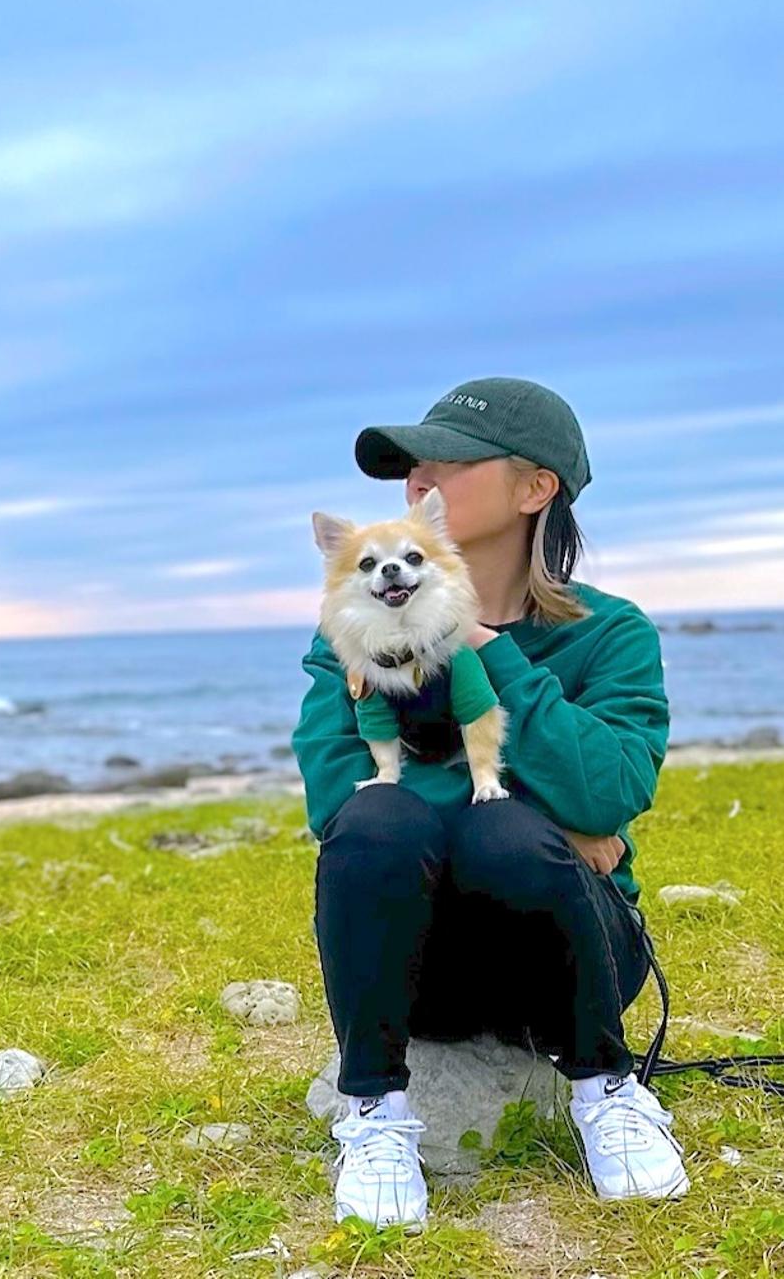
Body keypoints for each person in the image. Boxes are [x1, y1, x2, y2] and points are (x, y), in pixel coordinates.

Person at [292, 376, 687, 1229]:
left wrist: (479, 643)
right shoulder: (351, 631)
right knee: (385, 819)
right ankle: (375, 1109)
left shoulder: (611, 632)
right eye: (412, 467)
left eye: (450, 461)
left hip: (570, 960)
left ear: (535, 487)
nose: (419, 480)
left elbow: (614, 788)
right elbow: (336, 799)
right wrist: (560, 822)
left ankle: (606, 1088)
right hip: (419, 973)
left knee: (504, 833)